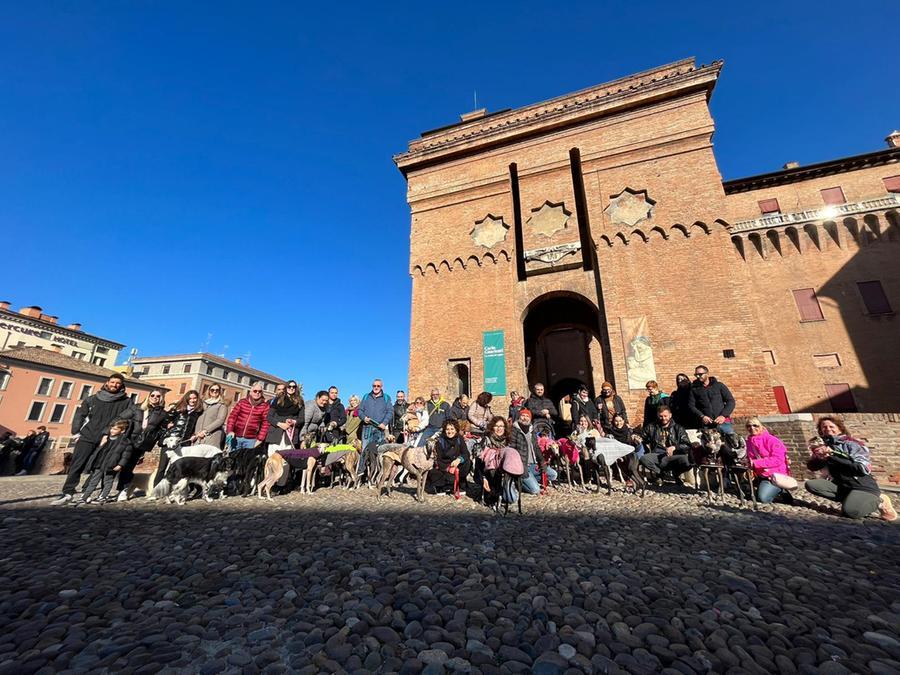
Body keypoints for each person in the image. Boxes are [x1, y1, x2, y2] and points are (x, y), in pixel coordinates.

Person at [52, 373, 141, 505]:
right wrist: (76, 432)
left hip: (110, 439)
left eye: (117, 383)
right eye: (112, 382)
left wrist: (122, 438)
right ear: (107, 383)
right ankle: (68, 492)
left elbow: (132, 419)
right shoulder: (92, 399)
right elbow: (80, 415)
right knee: (77, 465)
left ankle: (87, 493)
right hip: (88, 436)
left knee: (101, 467)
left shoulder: (127, 402)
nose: (114, 385)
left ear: (121, 385)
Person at [805, 416, 896, 521]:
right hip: (842, 485)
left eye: (831, 426)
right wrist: (818, 457)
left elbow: (861, 468)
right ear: (821, 430)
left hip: (861, 485)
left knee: (851, 512)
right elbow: (812, 467)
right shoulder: (822, 445)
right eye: (824, 427)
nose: (828, 429)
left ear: (840, 428)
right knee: (811, 485)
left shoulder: (852, 444)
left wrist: (832, 456)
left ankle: (880, 501)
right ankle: (852, 499)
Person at [115, 389, 167, 500]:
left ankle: (123, 490)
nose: (155, 397)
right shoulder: (137, 408)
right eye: (152, 395)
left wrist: (154, 436)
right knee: (118, 463)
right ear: (148, 396)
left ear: (161, 399)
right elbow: (121, 418)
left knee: (130, 465)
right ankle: (108, 489)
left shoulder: (162, 413)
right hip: (128, 439)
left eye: (158, 396)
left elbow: (162, 429)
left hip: (141, 443)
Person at [77, 420, 134, 504]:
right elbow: (98, 451)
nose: (112, 431)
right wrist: (101, 445)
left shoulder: (125, 442)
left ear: (122, 431)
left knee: (108, 481)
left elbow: (126, 456)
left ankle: (103, 496)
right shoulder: (106, 439)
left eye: (115, 429)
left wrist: (120, 465)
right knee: (93, 481)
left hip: (111, 464)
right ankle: (85, 496)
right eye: (112, 428)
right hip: (100, 463)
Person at [154, 390, 203, 487]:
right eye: (190, 398)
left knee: (177, 468)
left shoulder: (198, 413)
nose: (192, 400)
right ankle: (156, 489)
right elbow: (164, 420)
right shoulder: (178, 409)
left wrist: (194, 434)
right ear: (186, 399)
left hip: (183, 444)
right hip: (170, 441)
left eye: (194, 398)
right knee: (162, 467)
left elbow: (194, 427)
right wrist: (167, 425)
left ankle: (171, 489)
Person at [510, 408, 557, 495]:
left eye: (527, 416)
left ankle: (530, 479)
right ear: (519, 417)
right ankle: (518, 480)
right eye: (523, 415)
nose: (525, 418)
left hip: (533, 465)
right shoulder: (514, 430)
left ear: (530, 418)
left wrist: (542, 461)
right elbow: (512, 450)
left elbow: (536, 447)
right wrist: (520, 467)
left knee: (553, 475)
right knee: (535, 490)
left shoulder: (532, 430)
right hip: (522, 465)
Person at [744, 417, 791, 504]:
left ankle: (781, 488)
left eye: (755, 425)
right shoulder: (748, 442)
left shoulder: (772, 440)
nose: (752, 428)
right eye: (749, 426)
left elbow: (778, 459)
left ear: (761, 426)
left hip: (774, 475)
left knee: (763, 498)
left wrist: (755, 463)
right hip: (759, 475)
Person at [639, 405, 692, 482]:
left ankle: (676, 473)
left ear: (670, 415)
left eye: (665, 416)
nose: (663, 418)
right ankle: (660, 473)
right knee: (644, 458)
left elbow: (687, 445)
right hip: (658, 455)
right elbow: (641, 436)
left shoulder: (678, 428)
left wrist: (675, 447)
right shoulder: (652, 427)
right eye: (660, 416)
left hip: (674, 456)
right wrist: (636, 437)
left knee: (688, 461)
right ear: (657, 416)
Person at [688, 366, 736, 437]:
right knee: (710, 447)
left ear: (707, 373)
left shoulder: (719, 386)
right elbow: (691, 406)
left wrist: (723, 415)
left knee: (731, 444)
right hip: (706, 425)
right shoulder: (694, 389)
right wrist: (702, 416)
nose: (698, 376)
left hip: (723, 422)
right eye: (696, 375)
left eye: (700, 374)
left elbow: (730, 401)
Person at [428, 419, 471, 499]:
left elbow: (466, 453)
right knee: (436, 473)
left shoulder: (459, 439)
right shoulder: (440, 441)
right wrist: (448, 468)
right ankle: (441, 486)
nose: (450, 431)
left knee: (467, 462)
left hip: (457, 465)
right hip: (445, 466)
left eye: (452, 429)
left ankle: (460, 482)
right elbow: (438, 460)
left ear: (456, 430)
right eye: (447, 429)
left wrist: (459, 459)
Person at [358, 379, 392, 476]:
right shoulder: (366, 397)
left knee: (378, 451)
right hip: (367, 428)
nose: (376, 387)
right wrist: (364, 418)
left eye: (378, 386)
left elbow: (390, 412)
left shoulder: (386, 398)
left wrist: (384, 423)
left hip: (379, 428)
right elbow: (360, 410)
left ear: (381, 387)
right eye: (374, 386)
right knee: (364, 450)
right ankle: (361, 472)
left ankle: (378, 475)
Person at [225, 382, 271, 451]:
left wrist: (260, 439)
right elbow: (232, 417)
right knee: (231, 459)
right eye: (255, 391)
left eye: (259, 391)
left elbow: (265, 424)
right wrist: (230, 431)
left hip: (251, 440)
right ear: (251, 392)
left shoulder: (265, 406)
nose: (257, 393)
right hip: (235, 437)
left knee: (246, 461)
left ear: (262, 393)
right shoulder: (242, 402)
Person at [266, 380, 303, 452]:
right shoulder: (277, 400)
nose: (291, 388)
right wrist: (280, 424)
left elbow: (302, 419)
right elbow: (269, 417)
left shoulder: (300, 402)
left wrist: (293, 421)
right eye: (289, 386)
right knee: (273, 459)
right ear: (286, 388)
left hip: (289, 436)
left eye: (294, 387)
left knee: (286, 461)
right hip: (276, 434)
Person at [194, 384, 228, 449]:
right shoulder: (203, 403)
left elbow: (220, 420)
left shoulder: (222, 405)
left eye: (217, 390)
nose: (214, 391)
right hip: (198, 435)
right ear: (209, 391)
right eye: (212, 390)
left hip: (212, 435)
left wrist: (205, 430)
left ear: (220, 391)